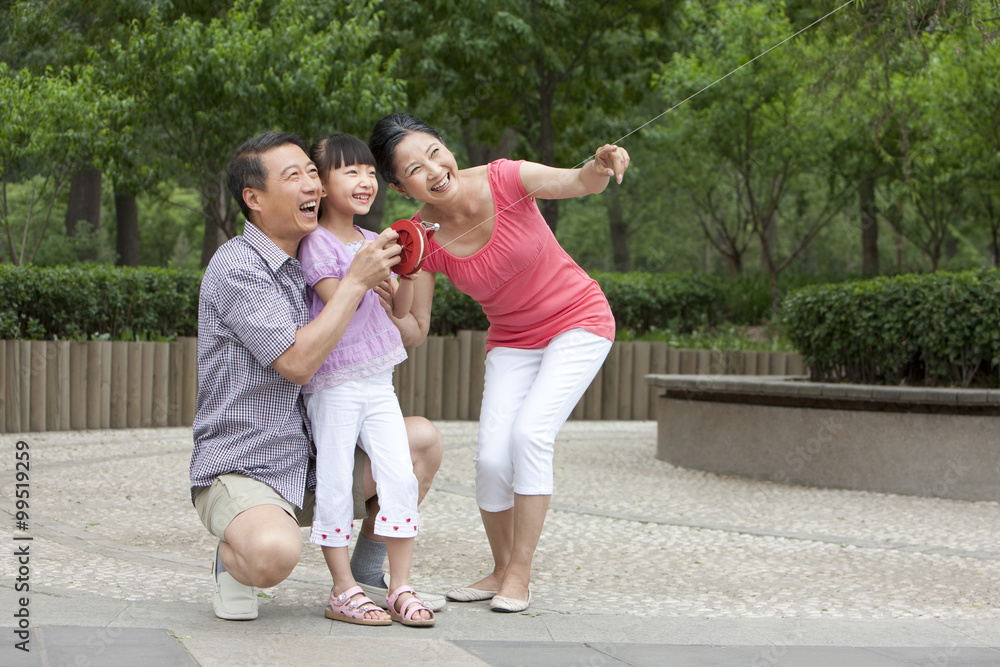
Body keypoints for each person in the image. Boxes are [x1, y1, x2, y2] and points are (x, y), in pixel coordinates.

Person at [369, 113, 629, 613]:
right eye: (413, 169)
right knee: (491, 457)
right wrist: (380, 303)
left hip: (579, 320)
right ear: (401, 187)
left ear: (446, 148)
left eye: (434, 151)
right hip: (512, 339)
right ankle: (500, 566)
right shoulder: (420, 237)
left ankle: (520, 574)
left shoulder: (505, 177)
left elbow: (579, 182)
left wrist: (601, 163)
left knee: (529, 435)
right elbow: (415, 330)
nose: (433, 169)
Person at [190, 130, 442, 622]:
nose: (313, 185)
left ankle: (369, 574)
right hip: (248, 467)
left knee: (421, 443)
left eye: (312, 172)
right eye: (294, 176)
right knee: (271, 554)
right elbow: (298, 362)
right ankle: (232, 560)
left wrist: (404, 277)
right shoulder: (238, 268)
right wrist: (357, 282)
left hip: (315, 455)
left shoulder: (322, 252)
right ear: (254, 199)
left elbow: (394, 330)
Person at [296, 133, 432, 626]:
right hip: (333, 383)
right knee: (334, 481)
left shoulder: (371, 240)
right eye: (350, 171)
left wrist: (411, 267)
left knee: (400, 475)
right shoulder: (315, 244)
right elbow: (340, 298)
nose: (365, 180)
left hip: (378, 380)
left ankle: (399, 587)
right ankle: (342, 589)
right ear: (322, 183)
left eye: (371, 172)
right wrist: (369, 269)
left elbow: (397, 308)